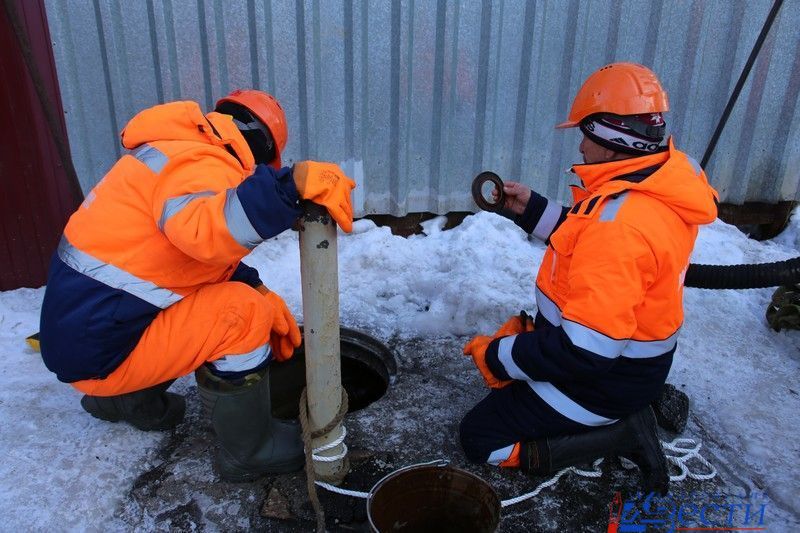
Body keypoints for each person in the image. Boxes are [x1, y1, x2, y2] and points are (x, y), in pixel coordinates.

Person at [39, 89, 355, 481]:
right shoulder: (204, 162)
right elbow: (206, 230)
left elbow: (177, 259)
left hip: (89, 341)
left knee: (235, 298)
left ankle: (126, 400)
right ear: (263, 151)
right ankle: (252, 452)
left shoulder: (172, 152)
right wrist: (288, 187)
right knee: (240, 314)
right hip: (103, 354)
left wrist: (255, 284)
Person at [459, 63, 718, 494]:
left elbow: (585, 352)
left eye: (585, 133)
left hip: (603, 382)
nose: (580, 145)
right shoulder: (654, 184)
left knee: (479, 438)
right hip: (630, 365)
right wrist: (530, 209)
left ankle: (619, 433)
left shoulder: (620, 226)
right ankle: (619, 411)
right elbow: (590, 242)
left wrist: (498, 356)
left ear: (613, 140)